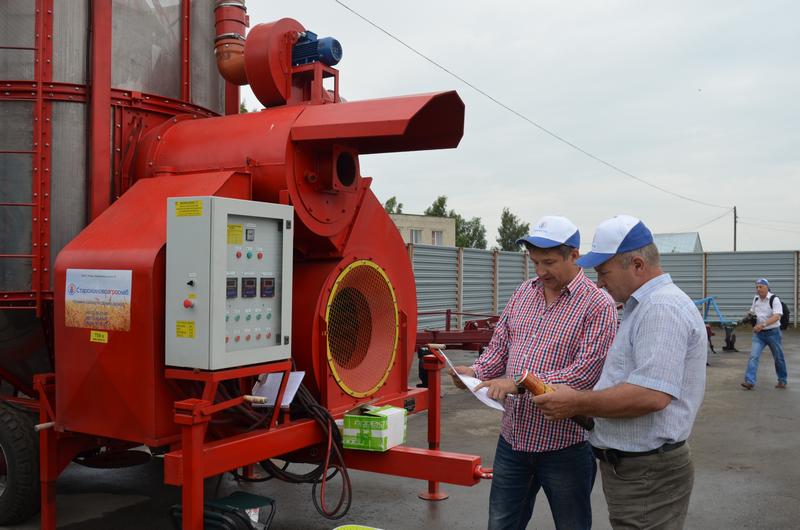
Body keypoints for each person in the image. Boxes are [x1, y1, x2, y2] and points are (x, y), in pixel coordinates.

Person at [533, 214, 707, 530]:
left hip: (647, 474)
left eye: (603, 271)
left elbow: (651, 395)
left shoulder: (661, 309)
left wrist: (575, 402)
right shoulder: (640, 306)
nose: (599, 282)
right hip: (638, 471)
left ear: (637, 265)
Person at [451, 215, 618, 530]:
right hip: (513, 441)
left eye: (549, 262)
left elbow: (586, 372)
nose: (540, 271)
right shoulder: (524, 292)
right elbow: (500, 347)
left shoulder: (598, 305)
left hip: (565, 446)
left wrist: (519, 384)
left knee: (572, 525)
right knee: (501, 524)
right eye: (535, 262)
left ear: (574, 255)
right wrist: (472, 373)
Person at [741, 278, 788, 389]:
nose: (758, 289)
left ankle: (782, 380)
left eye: (761, 286)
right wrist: (748, 316)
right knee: (753, 356)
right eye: (757, 287)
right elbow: (752, 311)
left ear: (767, 287)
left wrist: (762, 325)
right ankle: (750, 381)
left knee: (778, 357)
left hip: (773, 333)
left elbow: (777, 316)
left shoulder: (774, 299)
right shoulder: (756, 298)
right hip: (759, 335)